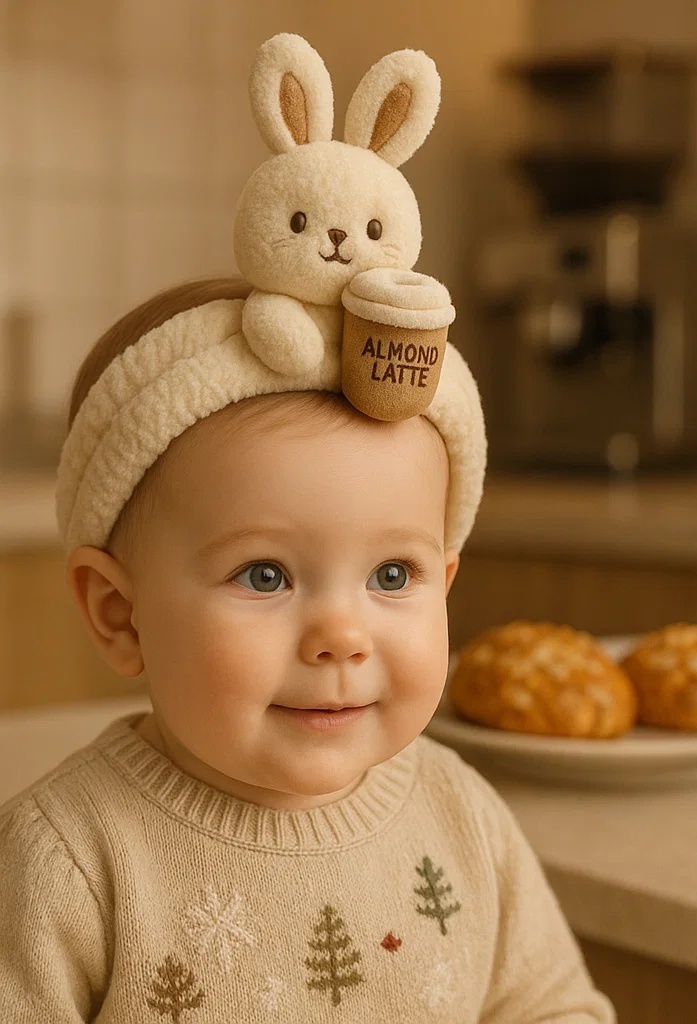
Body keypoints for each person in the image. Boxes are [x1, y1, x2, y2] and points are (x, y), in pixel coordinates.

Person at [0, 275, 615, 1022]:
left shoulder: (461, 811)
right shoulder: (68, 860)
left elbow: (550, 1006)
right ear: (121, 614)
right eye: (265, 576)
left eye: (392, 575)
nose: (341, 639)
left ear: (445, 580)